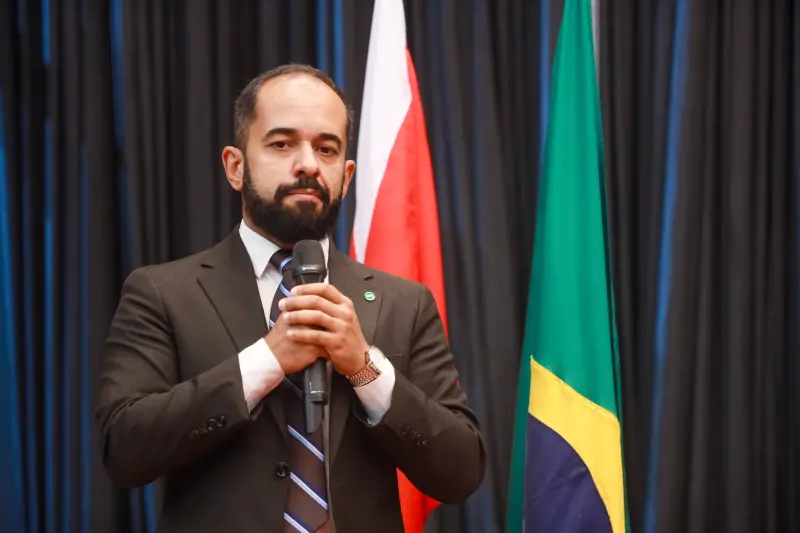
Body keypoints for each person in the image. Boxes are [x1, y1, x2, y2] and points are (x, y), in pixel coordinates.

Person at [95, 64, 486, 533]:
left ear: (346, 175)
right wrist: (266, 360)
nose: (307, 164)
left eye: (326, 148)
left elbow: (462, 471)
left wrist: (365, 369)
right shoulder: (163, 292)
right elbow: (123, 449)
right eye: (282, 144)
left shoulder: (405, 302)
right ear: (235, 166)